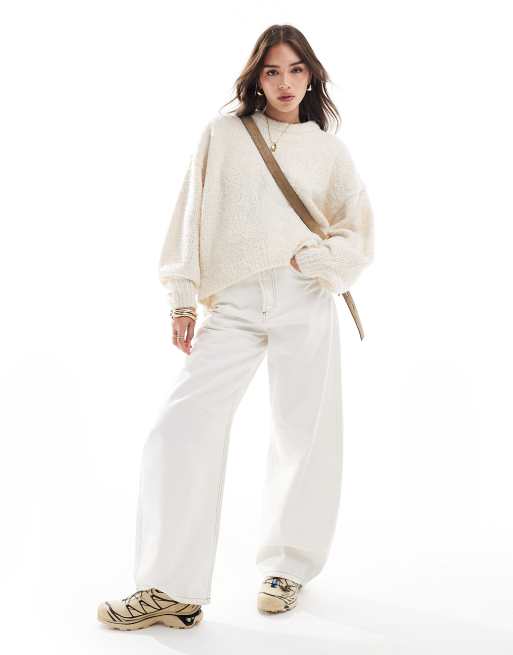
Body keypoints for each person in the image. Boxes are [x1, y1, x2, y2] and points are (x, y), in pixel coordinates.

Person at [97, 23, 374, 631]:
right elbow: (191, 216)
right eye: (272, 71)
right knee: (179, 426)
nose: (284, 82)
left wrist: (320, 260)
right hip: (237, 304)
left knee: (304, 433)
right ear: (256, 77)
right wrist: (182, 299)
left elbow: (358, 232)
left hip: (304, 297)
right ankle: (169, 590)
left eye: (296, 69)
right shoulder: (223, 135)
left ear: (312, 75)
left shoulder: (328, 151)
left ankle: (288, 567)